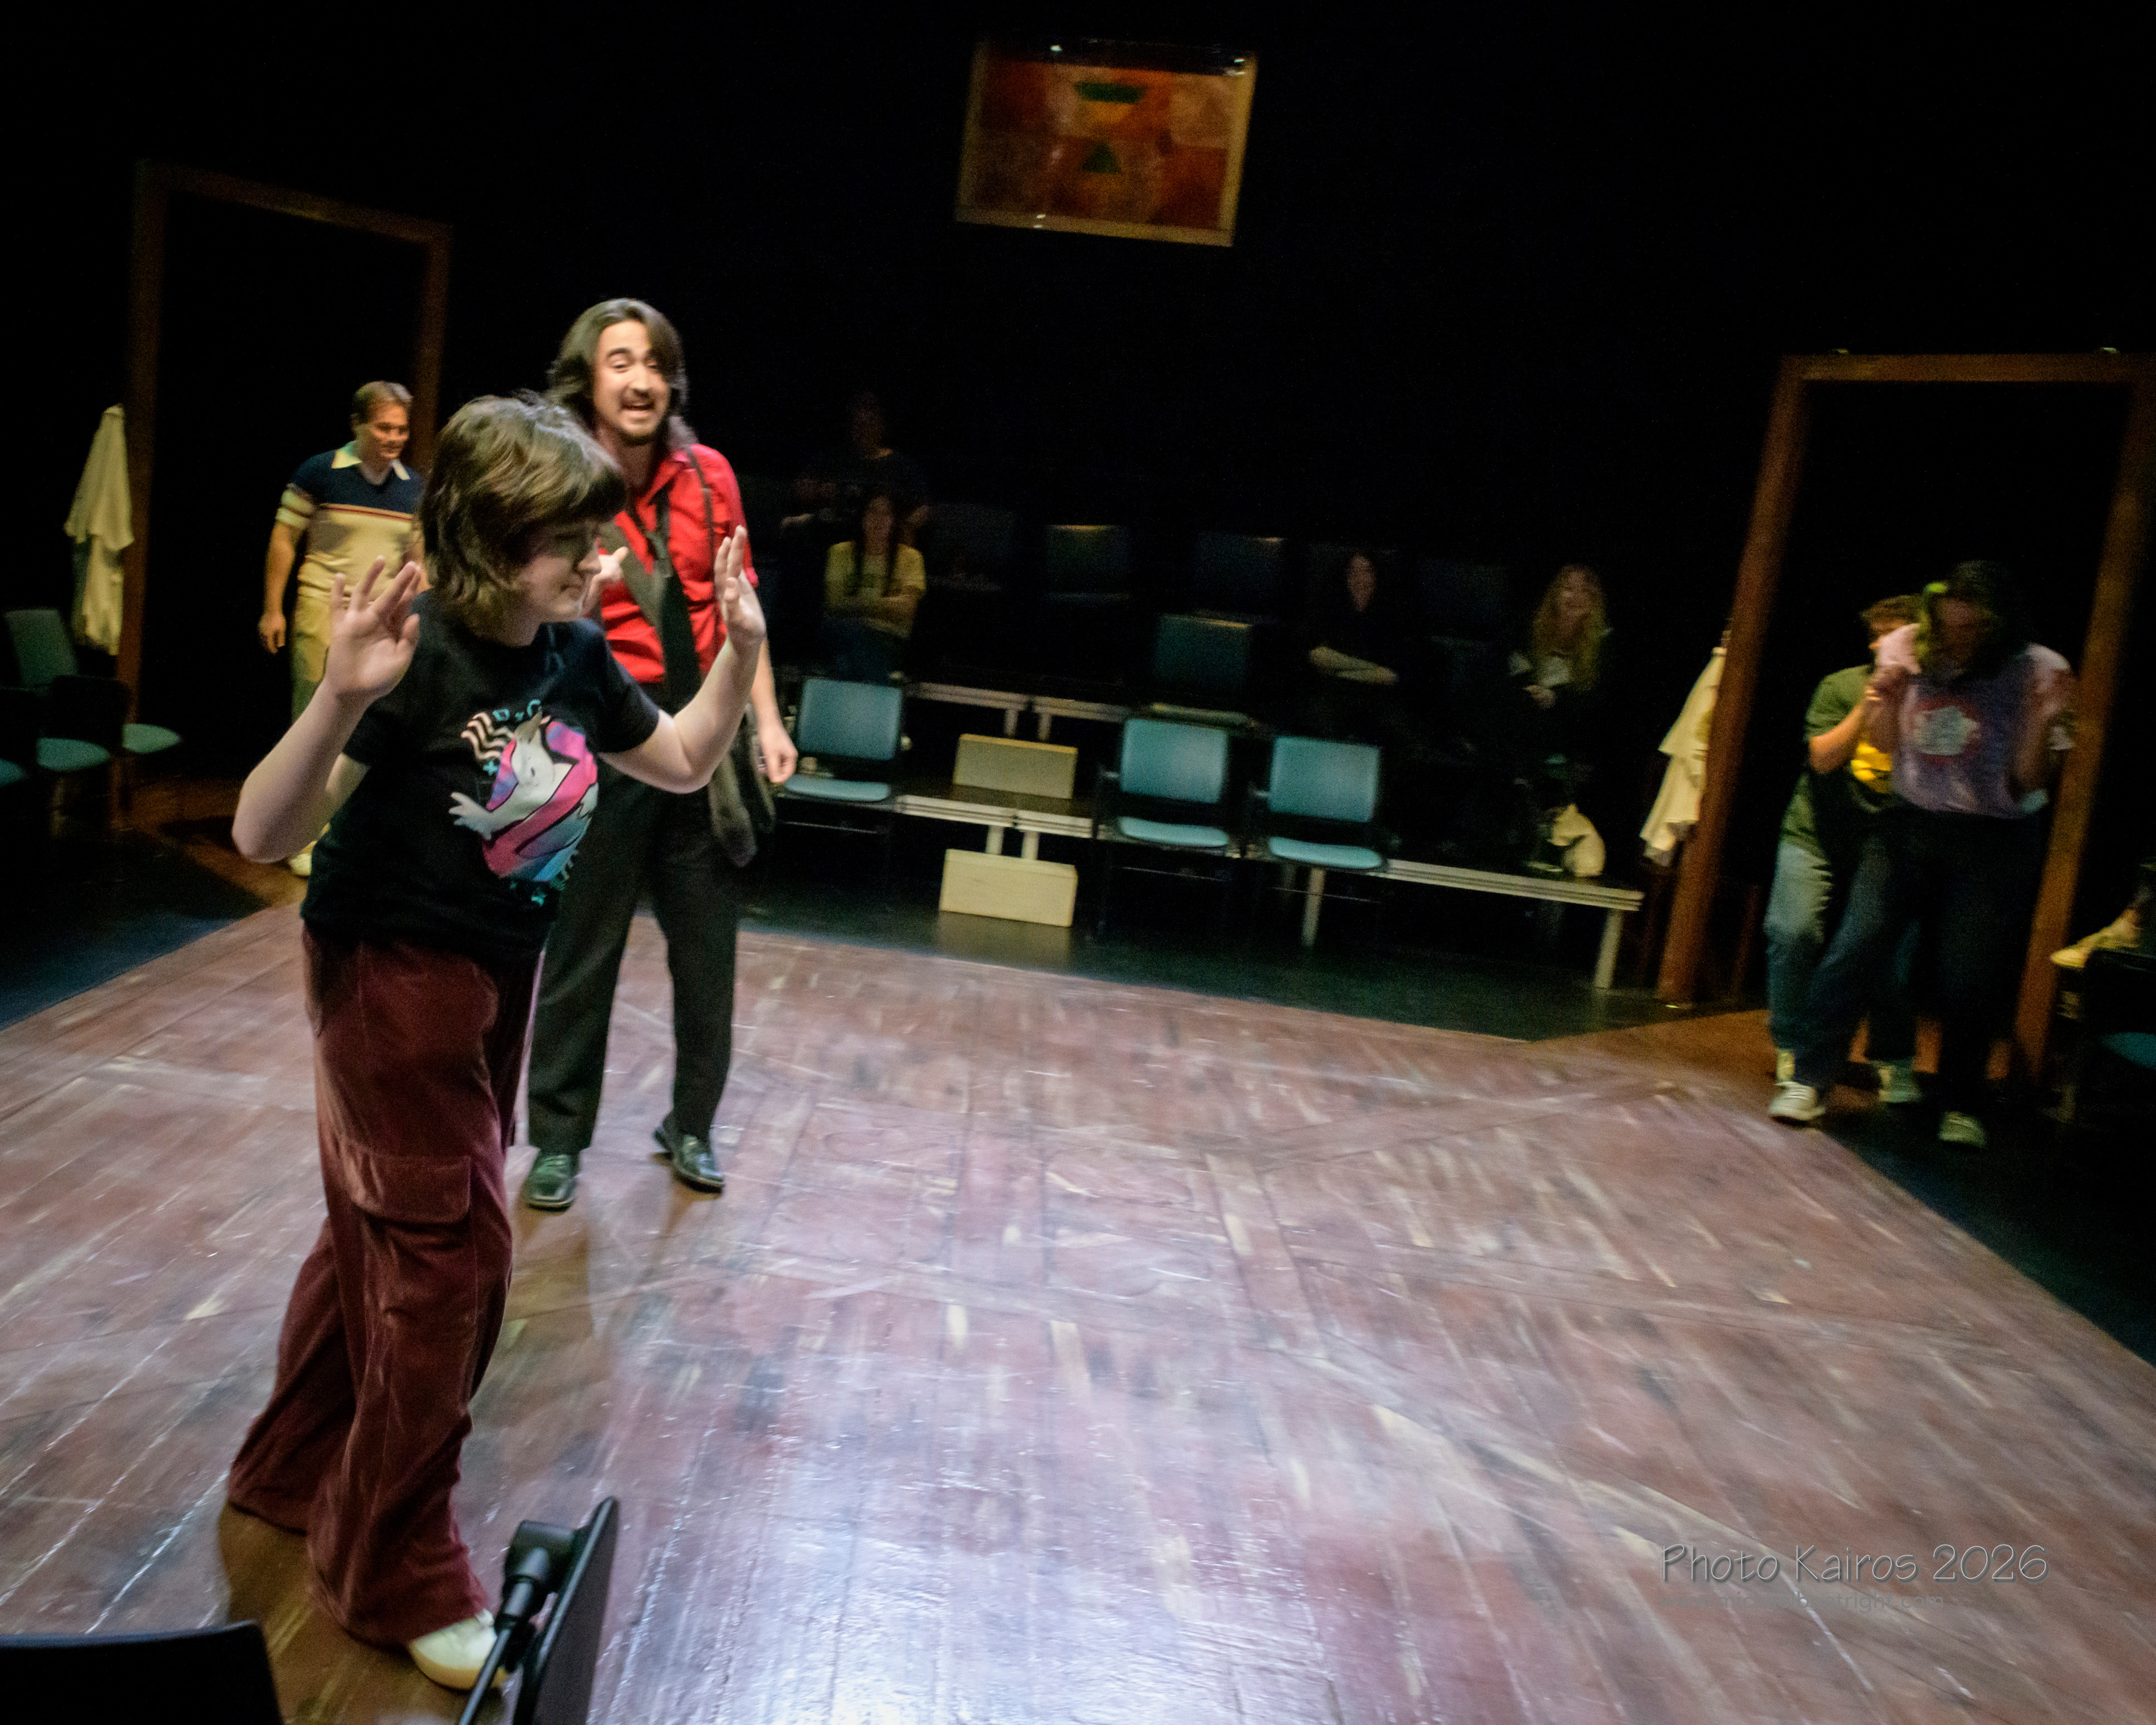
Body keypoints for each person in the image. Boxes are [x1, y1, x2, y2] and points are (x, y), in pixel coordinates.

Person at [224, 393, 767, 1690]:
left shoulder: (572, 653)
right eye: (569, 540)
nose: (598, 558)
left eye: (596, 533)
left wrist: (741, 652)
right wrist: (336, 697)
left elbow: (685, 762)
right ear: (490, 539)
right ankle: (391, 1565)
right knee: (452, 1260)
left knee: (377, 1232)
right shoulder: (419, 656)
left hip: (489, 974)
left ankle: (291, 1469)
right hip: (386, 972)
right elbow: (259, 830)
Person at [519, 299, 798, 1214]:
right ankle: (558, 1139)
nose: (639, 380)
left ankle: (692, 1123)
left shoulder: (709, 476)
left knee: (707, 954)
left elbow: (741, 608)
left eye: (653, 363)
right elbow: (527, 611)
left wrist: (765, 721)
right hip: (602, 740)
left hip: (704, 742)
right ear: (587, 379)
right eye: (619, 362)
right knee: (581, 951)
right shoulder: (559, 478)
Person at [1771, 562, 2076, 1147]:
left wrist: (2041, 719)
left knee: (1968, 974)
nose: (1957, 640)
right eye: (1949, 627)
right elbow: (1884, 744)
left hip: (1994, 833)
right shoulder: (1907, 647)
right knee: (1857, 946)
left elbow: (2026, 783)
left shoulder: (2040, 669)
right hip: (1911, 821)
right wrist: (1883, 702)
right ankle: (1809, 1080)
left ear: (1999, 626)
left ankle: (1960, 1102)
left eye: (1972, 630)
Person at [259, 383, 426, 874]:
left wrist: (423, 616)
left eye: (401, 429)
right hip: (323, 609)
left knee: (372, 727)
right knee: (312, 722)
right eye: (384, 427)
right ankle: (301, 838)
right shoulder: (319, 473)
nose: (394, 438)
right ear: (358, 425)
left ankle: (349, 836)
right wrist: (272, 609)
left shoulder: (414, 487)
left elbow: (418, 560)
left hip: (382, 620)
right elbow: (284, 539)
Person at [1763, 595, 1923, 1092]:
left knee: (1892, 955)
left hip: (1886, 844)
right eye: (1873, 635)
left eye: (1889, 634)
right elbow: (1823, 759)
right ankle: (1792, 1045)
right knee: (1791, 932)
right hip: (1815, 831)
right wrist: (1869, 703)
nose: (1876, 645)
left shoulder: (1934, 696)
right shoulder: (1841, 685)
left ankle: (1893, 1054)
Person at [817, 486, 926, 682]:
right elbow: (835, 603)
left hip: (889, 638)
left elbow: (908, 609)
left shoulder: (911, 557)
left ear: (894, 520)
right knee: (849, 633)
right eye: (873, 511)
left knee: (844, 664)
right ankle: (881, 690)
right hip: (844, 632)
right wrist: (885, 606)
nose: (879, 519)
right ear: (862, 516)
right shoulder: (840, 552)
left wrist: (859, 605)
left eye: (886, 513)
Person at [790, 388, 930, 539]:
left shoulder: (902, 465)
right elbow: (802, 490)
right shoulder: (833, 458)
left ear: (882, 427)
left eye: (870, 424)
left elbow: (924, 507)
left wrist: (907, 528)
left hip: (881, 540)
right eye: (858, 425)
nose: (863, 431)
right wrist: (818, 493)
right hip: (837, 537)